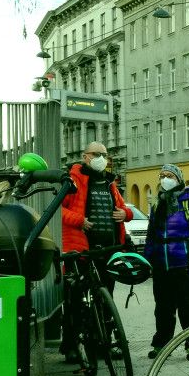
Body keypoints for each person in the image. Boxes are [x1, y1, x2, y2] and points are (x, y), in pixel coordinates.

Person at [60, 141, 131, 363]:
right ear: (85, 157)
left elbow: (122, 208)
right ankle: (72, 345)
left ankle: (103, 344)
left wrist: (126, 214)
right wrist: (79, 220)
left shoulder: (109, 182)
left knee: (105, 298)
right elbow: (58, 209)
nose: (101, 158)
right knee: (75, 300)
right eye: (96, 154)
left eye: (104, 154)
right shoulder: (72, 179)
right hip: (80, 251)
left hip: (108, 249)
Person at [144, 163, 189, 362]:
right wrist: (147, 261)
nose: (165, 179)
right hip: (161, 265)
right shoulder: (157, 204)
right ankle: (162, 344)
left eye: (170, 175)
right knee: (163, 308)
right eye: (162, 175)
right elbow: (151, 236)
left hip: (185, 264)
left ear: (178, 179)